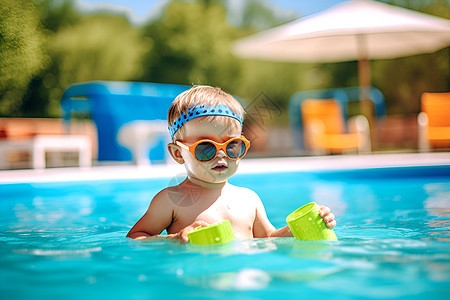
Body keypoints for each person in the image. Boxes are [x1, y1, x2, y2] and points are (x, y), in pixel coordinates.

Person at [127, 86, 336, 242]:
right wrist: (174, 239)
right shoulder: (172, 200)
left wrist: (295, 229)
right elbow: (135, 238)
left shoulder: (249, 199)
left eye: (232, 146)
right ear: (178, 153)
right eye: (206, 148)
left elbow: (269, 238)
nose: (221, 155)